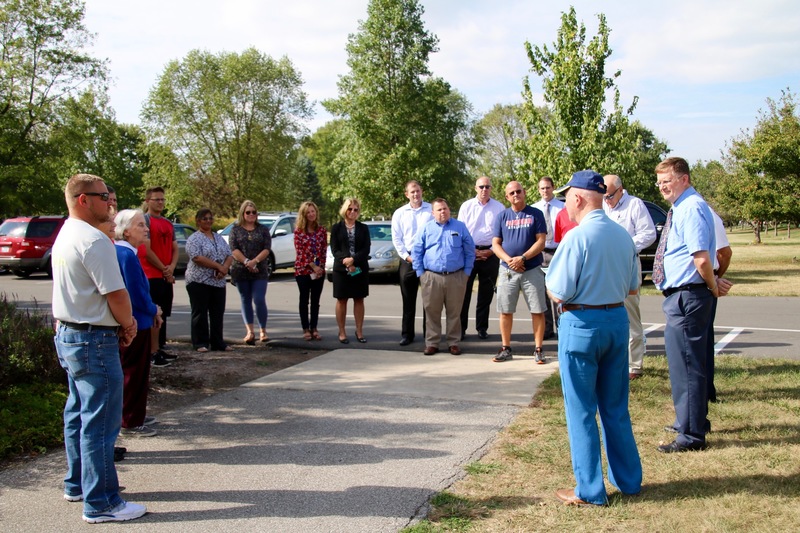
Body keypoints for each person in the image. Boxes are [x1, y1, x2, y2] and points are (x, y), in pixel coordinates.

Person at [51, 173, 146, 523]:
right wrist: (129, 324)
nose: (109, 201)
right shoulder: (93, 240)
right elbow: (116, 294)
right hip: (93, 338)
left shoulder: (66, 233)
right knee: (101, 422)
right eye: (103, 195)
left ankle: (77, 483)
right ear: (83, 199)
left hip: (71, 334)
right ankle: (102, 502)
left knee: (78, 413)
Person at [545, 169, 642, 507]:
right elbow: (632, 286)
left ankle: (589, 489)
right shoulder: (622, 235)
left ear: (579, 198)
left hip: (582, 323)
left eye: (567, 195)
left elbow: (558, 291)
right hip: (616, 319)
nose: (566, 202)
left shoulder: (576, 237)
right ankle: (628, 480)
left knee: (581, 409)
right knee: (615, 407)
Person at [652, 157, 732, 453]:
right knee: (686, 364)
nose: (662, 188)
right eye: (659, 183)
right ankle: (690, 422)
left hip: (688, 295)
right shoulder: (683, 207)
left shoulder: (693, 207)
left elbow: (701, 258)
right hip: (684, 295)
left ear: (684, 179)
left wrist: (712, 285)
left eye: (667, 181)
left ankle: (690, 435)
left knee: (687, 366)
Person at [602, 174, 657, 380]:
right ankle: (614, 361)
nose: (607, 200)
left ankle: (634, 365)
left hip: (627, 264)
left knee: (630, 314)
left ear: (620, 189)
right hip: (606, 265)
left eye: (610, 196)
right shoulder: (603, 206)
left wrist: (624, 245)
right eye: (604, 196)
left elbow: (648, 233)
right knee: (609, 314)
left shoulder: (635, 204)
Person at [114, 209, 163, 438]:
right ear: (126, 231)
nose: (146, 229)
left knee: (135, 372)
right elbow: (135, 293)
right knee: (134, 373)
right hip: (137, 322)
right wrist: (154, 308)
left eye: (145, 225)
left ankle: (136, 415)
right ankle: (131, 421)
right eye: (140, 225)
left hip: (136, 320)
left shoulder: (126, 253)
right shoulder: (126, 255)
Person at [491, 181, 547, 363]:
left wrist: (522, 258)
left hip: (531, 268)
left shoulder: (535, 214)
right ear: (507, 197)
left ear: (524, 193)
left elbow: (541, 241)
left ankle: (538, 349)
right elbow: (495, 244)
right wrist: (509, 260)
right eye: (512, 193)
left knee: (537, 310)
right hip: (508, 270)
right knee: (505, 310)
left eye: (519, 191)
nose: (516, 194)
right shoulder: (502, 217)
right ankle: (506, 348)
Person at [412, 198, 475, 355]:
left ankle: (453, 342)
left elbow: (469, 250)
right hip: (431, 277)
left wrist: (467, 272)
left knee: (454, 312)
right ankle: (432, 343)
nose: (443, 212)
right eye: (439, 210)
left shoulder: (459, 227)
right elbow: (417, 251)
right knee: (432, 311)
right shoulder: (426, 228)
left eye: (445, 208)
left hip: (456, 276)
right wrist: (421, 273)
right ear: (433, 213)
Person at [457, 176, 504, 340]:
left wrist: (491, 251)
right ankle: (461, 329)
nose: (484, 190)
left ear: (491, 188)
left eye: (487, 187)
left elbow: (502, 234)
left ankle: (482, 328)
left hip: (491, 255)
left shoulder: (499, 207)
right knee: (464, 293)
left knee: (486, 294)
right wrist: (472, 251)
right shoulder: (466, 206)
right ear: (475, 188)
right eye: (481, 187)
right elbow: (461, 232)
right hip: (469, 254)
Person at [137, 186, 178, 367]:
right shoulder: (145, 221)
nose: (160, 203)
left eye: (162, 199)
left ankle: (159, 347)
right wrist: (164, 269)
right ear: (148, 201)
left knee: (164, 314)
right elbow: (146, 249)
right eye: (156, 199)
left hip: (165, 276)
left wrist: (171, 268)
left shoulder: (168, 223)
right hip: (151, 275)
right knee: (154, 314)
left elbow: (175, 248)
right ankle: (152, 352)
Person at [185, 208, 233, 353]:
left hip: (217, 281)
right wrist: (218, 266)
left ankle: (218, 342)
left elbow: (229, 254)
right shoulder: (194, 238)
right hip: (199, 281)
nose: (208, 221)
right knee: (200, 313)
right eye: (204, 219)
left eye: (210, 218)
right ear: (198, 221)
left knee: (217, 313)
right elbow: (197, 257)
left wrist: (224, 268)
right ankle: (200, 343)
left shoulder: (218, 237)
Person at [391, 180, 433, 346]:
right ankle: (407, 334)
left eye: (418, 191)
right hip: (408, 260)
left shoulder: (431, 210)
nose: (416, 194)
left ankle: (428, 335)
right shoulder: (399, 213)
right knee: (408, 300)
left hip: (428, 259)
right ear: (406, 194)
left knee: (429, 300)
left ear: (422, 191)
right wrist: (406, 257)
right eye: (412, 192)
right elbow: (397, 239)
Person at [229, 200, 272, 345]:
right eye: (248, 212)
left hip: (259, 270)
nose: (251, 215)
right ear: (243, 213)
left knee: (259, 299)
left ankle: (263, 331)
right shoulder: (235, 230)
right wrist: (247, 262)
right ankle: (250, 331)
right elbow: (234, 249)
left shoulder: (263, 229)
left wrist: (255, 261)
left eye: (254, 212)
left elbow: (267, 248)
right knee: (245, 299)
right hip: (241, 270)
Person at [330, 198, 370, 344]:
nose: (352, 212)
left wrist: (353, 260)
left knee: (359, 299)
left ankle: (359, 331)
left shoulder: (363, 228)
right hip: (341, 269)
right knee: (342, 300)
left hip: (359, 268)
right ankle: (342, 332)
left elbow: (366, 249)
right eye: (350, 209)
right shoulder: (336, 228)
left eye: (356, 209)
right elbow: (335, 249)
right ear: (344, 210)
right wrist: (347, 262)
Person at [531, 176, 564, 339]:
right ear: (539, 190)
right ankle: (547, 328)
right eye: (542, 188)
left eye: (548, 187)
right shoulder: (534, 209)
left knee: (558, 291)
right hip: (540, 253)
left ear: (553, 188)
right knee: (542, 292)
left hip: (558, 252)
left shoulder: (562, 207)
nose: (545, 191)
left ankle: (561, 326)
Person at [707, 210, 733, 402]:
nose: (662, 187)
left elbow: (725, 252)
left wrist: (715, 279)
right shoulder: (676, 211)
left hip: (701, 285)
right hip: (682, 287)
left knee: (701, 344)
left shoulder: (705, 213)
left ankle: (706, 393)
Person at [294, 201, 327, 341]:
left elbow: (324, 250)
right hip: (303, 270)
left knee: (315, 301)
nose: (311, 214)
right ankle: (305, 328)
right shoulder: (298, 232)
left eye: (313, 211)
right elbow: (301, 252)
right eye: (308, 212)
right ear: (304, 215)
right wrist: (313, 266)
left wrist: (321, 268)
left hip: (318, 271)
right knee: (304, 300)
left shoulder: (322, 231)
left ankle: (314, 327)